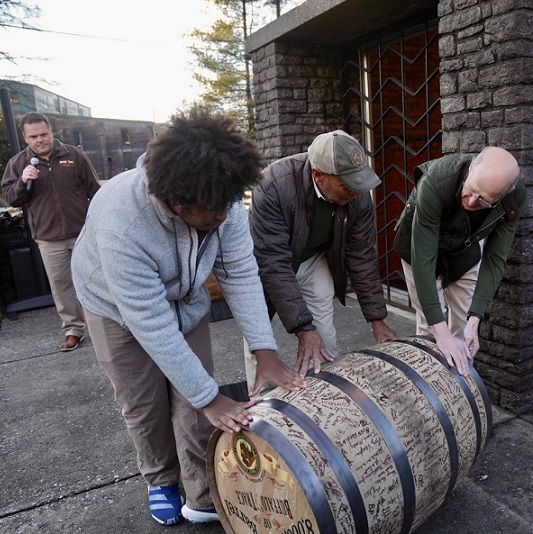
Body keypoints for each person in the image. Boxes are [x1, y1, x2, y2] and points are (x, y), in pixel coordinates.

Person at [71, 107, 307, 526]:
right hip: (113, 307)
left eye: (228, 206)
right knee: (144, 402)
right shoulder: (122, 221)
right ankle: (161, 479)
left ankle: (202, 491)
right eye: (213, 212)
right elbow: (150, 323)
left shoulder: (220, 197)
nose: (224, 217)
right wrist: (211, 398)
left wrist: (264, 348)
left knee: (194, 400)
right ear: (178, 202)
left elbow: (240, 272)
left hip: (185, 297)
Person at [245, 129, 398, 392]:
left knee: (323, 336)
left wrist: (377, 319)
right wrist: (303, 328)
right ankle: (262, 405)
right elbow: (274, 264)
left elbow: (361, 257)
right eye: (346, 184)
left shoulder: (357, 195)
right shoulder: (273, 186)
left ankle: (326, 397)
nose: (355, 191)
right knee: (259, 342)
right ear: (318, 175)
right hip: (265, 266)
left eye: (358, 182)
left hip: (313, 259)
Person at [394, 146, 526, 377]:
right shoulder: (435, 182)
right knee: (430, 326)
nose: (472, 202)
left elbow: (495, 260)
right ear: (472, 165)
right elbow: (424, 259)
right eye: (471, 190)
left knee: (465, 328)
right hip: (418, 249)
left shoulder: (514, 199)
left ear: (505, 194)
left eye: (484, 200)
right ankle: (430, 382)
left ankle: (459, 387)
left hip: (464, 253)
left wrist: (476, 318)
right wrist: (440, 332)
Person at [1, 112, 100, 351]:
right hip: (48, 238)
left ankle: (104, 327)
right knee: (61, 287)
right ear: (26, 138)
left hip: (82, 234)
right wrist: (22, 181)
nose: (40, 140)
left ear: (51, 132)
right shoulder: (18, 163)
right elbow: (11, 198)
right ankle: (73, 330)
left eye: (43, 134)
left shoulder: (74, 155)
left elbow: (95, 191)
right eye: (34, 136)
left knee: (95, 281)